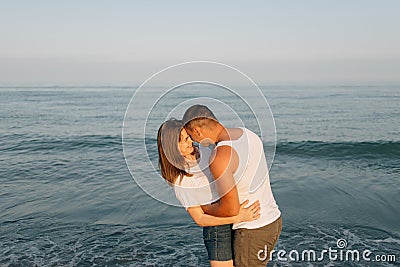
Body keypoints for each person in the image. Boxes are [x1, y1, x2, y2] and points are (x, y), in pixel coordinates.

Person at [182, 105, 282, 267]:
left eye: (192, 136)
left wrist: (204, 208)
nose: (194, 142)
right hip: (272, 220)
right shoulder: (248, 134)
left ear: (198, 131)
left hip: (252, 228)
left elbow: (231, 209)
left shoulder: (220, 157)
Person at [157, 118, 261, 267]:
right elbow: (200, 219)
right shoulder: (181, 179)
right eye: (184, 141)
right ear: (171, 147)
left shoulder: (204, 150)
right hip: (218, 228)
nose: (190, 142)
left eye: (188, 137)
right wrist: (237, 217)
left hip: (235, 214)